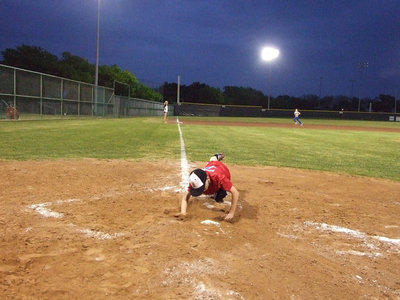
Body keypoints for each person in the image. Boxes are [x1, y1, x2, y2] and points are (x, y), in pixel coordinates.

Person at [176, 153, 240, 222]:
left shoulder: (219, 177)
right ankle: (216, 156)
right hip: (211, 165)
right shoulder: (196, 179)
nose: (201, 190)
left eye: (202, 187)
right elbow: (186, 196)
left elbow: (235, 193)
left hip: (222, 170)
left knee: (219, 197)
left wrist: (231, 213)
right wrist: (183, 212)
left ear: (207, 179)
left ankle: (217, 157)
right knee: (212, 160)